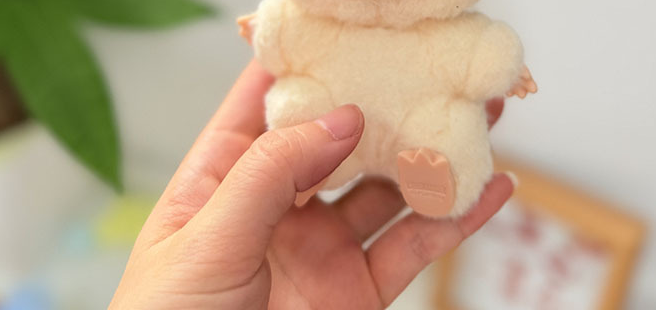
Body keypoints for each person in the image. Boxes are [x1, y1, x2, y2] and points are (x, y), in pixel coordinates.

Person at [109, 58, 516, 309]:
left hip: (401, 126)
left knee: (451, 124)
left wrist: (502, 66)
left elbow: (473, 44)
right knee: (294, 104)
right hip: (344, 133)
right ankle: (311, 174)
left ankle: (431, 173)